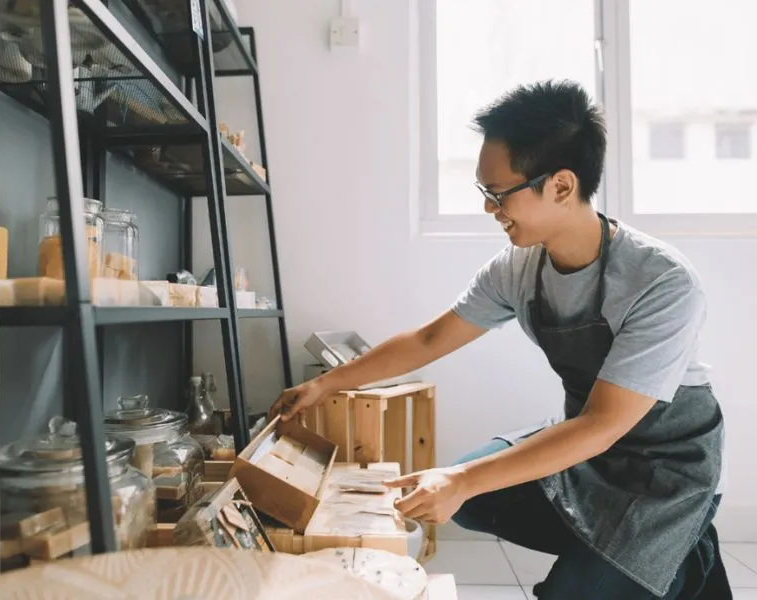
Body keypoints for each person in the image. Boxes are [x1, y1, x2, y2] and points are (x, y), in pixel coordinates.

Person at [269, 80, 730, 599]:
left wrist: (464, 481)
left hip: (665, 468)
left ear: (560, 186)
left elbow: (604, 425)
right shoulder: (519, 267)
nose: (490, 208)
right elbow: (429, 338)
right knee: (467, 497)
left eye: (499, 193)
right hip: (588, 446)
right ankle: (625, 555)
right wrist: (327, 384)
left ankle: (678, 556)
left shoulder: (661, 281)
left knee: (565, 587)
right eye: (484, 193)